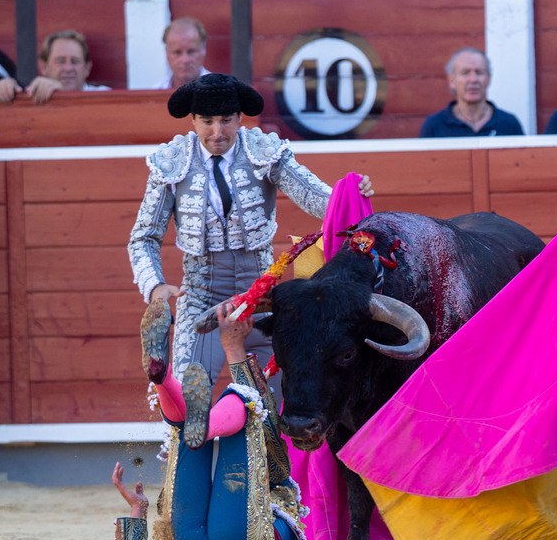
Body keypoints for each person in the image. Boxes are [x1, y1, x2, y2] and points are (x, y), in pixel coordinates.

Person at [128, 72, 373, 385]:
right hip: (201, 299)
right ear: (192, 121)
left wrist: (350, 194)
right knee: (190, 408)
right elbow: (143, 238)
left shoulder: (263, 152)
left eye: (226, 120)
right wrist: (155, 287)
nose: (217, 132)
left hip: (262, 298)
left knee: (277, 406)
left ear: (240, 118)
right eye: (207, 121)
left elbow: (313, 197)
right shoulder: (172, 164)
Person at [110, 297, 308, 540]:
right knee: (248, 409)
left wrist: (138, 508)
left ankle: (163, 380)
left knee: (196, 426)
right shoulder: (275, 482)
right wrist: (233, 346)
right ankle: (201, 421)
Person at [418, 47, 524, 138]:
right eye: (465, 73)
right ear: (452, 80)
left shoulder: (509, 123)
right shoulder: (435, 125)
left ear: (489, 78)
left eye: (479, 72)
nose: (473, 79)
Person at [0, 30, 110, 104]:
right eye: (60, 61)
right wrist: (5, 90)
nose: (68, 68)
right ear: (43, 67)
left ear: (87, 68)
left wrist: (62, 92)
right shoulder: (30, 95)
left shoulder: (105, 96)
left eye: (75, 61)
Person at [154, 18, 211, 90]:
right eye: (177, 52)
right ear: (167, 53)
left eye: (191, 51)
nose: (185, 60)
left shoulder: (222, 93)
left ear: (203, 50)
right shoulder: (153, 95)